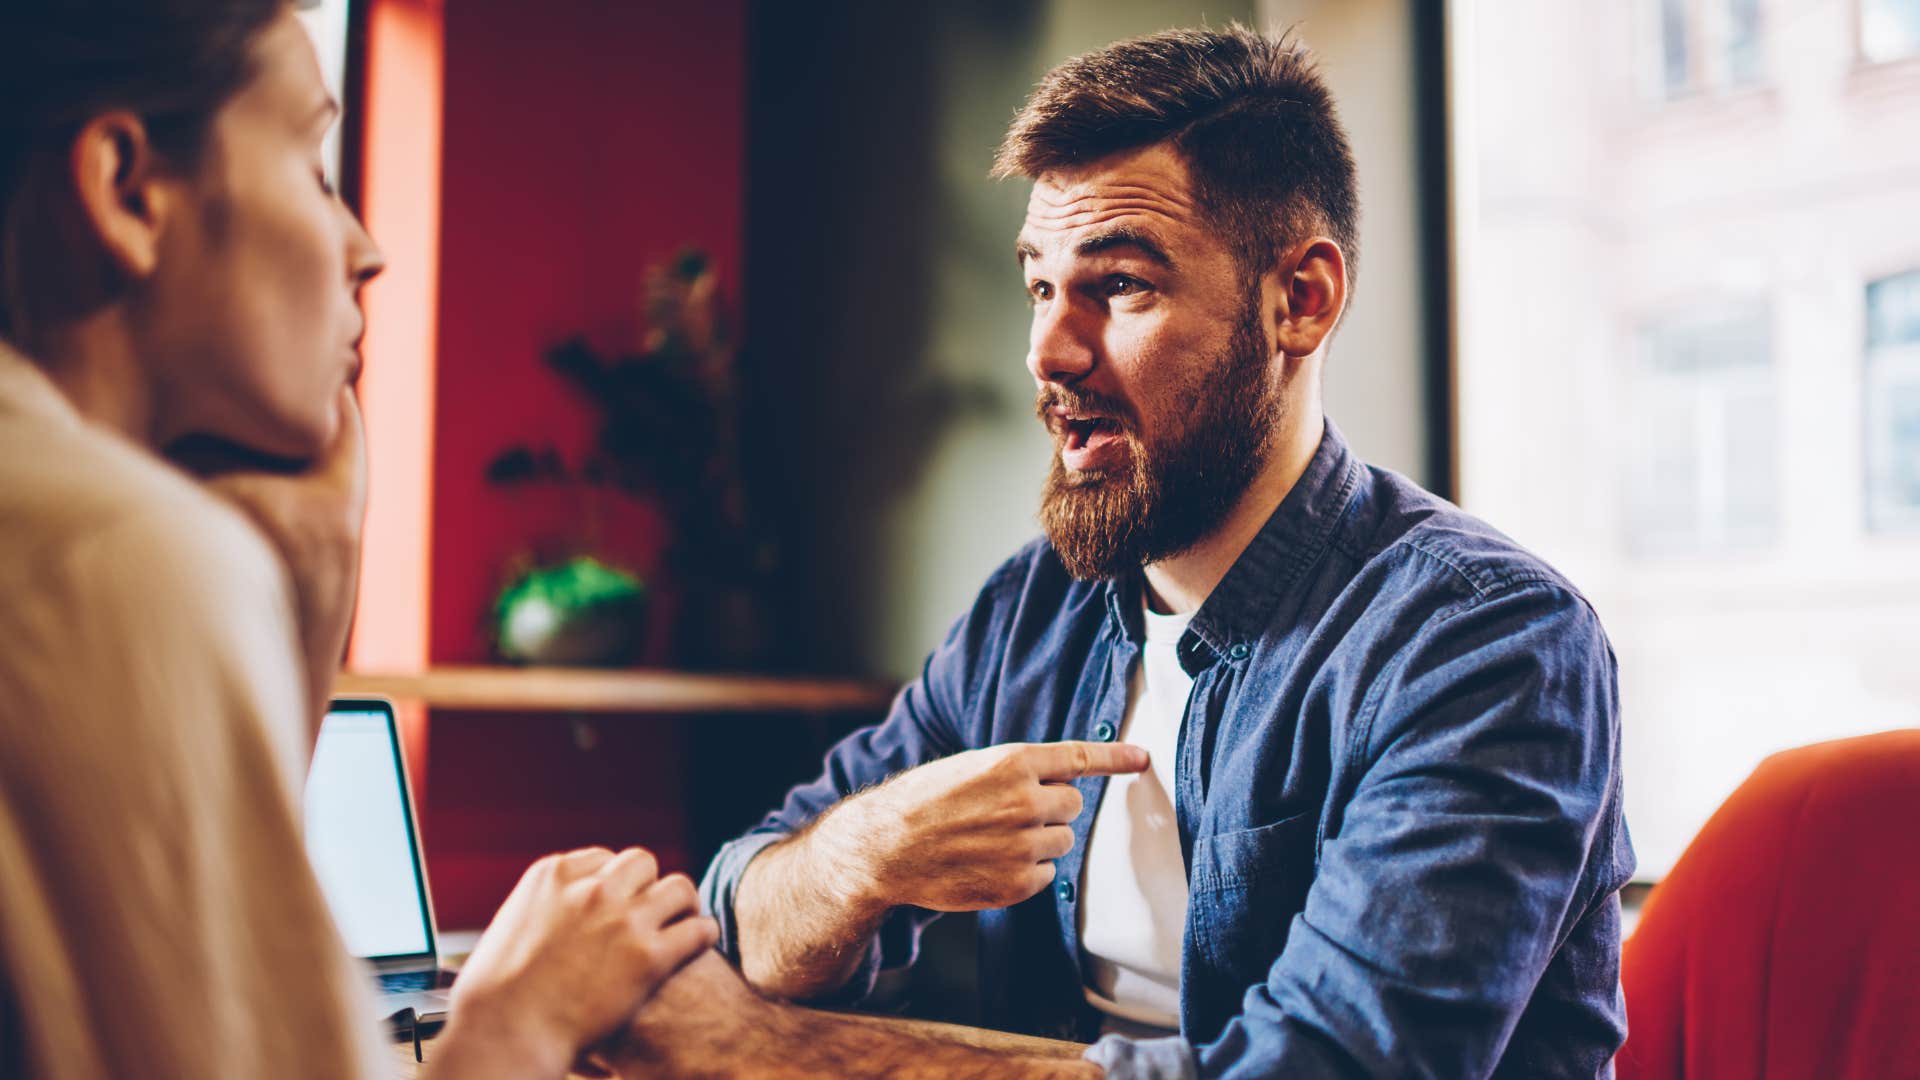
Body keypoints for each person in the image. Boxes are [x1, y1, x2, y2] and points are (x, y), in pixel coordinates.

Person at [699, 25, 1635, 1079]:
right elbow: (739, 918)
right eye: (1040, 287)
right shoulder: (1032, 611)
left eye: (1119, 286)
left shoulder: (1486, 642)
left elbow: (1328, 1068)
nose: (1048, 351)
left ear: (1301, 302)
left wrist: (784, 1055)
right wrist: (861, 855)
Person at [0, 3, 716, 1077]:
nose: (366, 250)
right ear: (126, 189)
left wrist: (310, 595)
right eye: (313, 165)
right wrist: (517, 1021)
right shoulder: (110, 557)